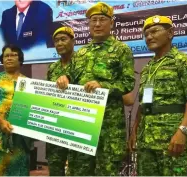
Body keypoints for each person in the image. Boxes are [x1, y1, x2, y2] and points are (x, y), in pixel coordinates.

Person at [56, 2, 135, 175]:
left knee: (106, 171)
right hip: (82, 123)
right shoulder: (81, 53)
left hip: (109, 126)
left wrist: (104, 86)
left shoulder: (122, 50)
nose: (97, 24)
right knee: (78, 170)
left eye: (102, 20)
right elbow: (70, 76)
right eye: (93, 20)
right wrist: (64, 78)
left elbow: (128, 83)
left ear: (111, 23)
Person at [128, 15, 187, 176]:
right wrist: (134, 131)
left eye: (154, 31)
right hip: (146, 140)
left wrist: (182, 131)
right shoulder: (148, 67)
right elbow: (143, 103)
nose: (149, 37)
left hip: (171, 139)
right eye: (146, 34)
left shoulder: (184, 61)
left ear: (170, 33)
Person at [0, 44, 33, 176]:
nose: (9, 58)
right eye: (6, 56)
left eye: (13, 55)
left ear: (20, 59)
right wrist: (0, 121)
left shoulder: (29, 83)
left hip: (20, 140)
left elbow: (33, 108)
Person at [46, 26, 75, 176]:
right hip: (55, 125)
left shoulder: (83, 63)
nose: (59, 43)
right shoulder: (53, 67)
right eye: (56, 41)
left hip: (76, 124)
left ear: (73, 41)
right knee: (55, 166)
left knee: (77, 168)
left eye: (63, 39)